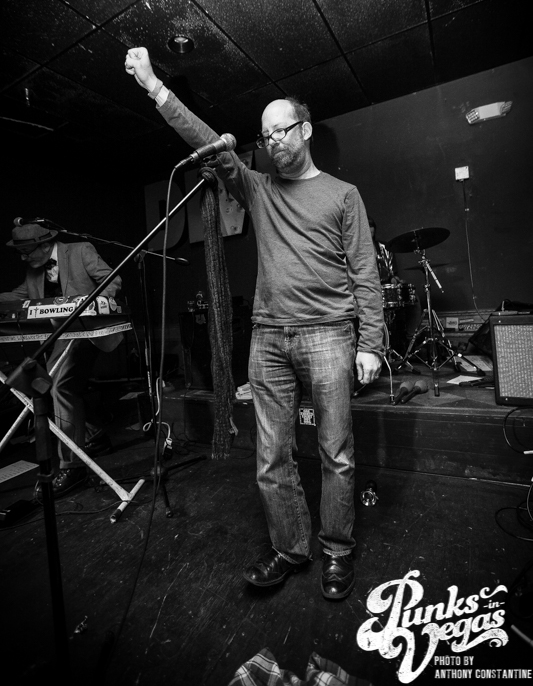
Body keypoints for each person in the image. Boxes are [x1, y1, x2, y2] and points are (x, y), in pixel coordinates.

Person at [125, 47, 384, 600]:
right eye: (265, 136)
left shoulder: (344, 196)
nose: (272, 142)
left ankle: (338, 550)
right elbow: (205, 140)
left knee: (336, 452)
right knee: (271, 457)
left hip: (329, 333)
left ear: (305, 130)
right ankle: (291, 548)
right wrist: (154, 86)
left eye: (281, 131)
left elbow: (365, 272)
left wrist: (372, 343)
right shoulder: (257, 188)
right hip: (267, 339)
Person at [0, 223, 122, 496]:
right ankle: (92, 436)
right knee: (42, 385)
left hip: (89, 331)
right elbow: (17, 296)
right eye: (20, 253)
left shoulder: (81, 250)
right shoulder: (34, 270)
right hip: (61, 337)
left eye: (27, 251)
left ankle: (72, 467)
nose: (23, 258)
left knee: (60, 387)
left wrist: (93, 307)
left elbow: (111, 279)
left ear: (45, 245)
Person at [368, 217, 421, 356]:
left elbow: (393, 273)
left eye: (372, 228)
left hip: (385, 288)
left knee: (413, 298)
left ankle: (410, 341)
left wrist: (394, 279)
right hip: (368, 289)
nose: (370, 231)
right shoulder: (355, 250)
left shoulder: (384, 247)